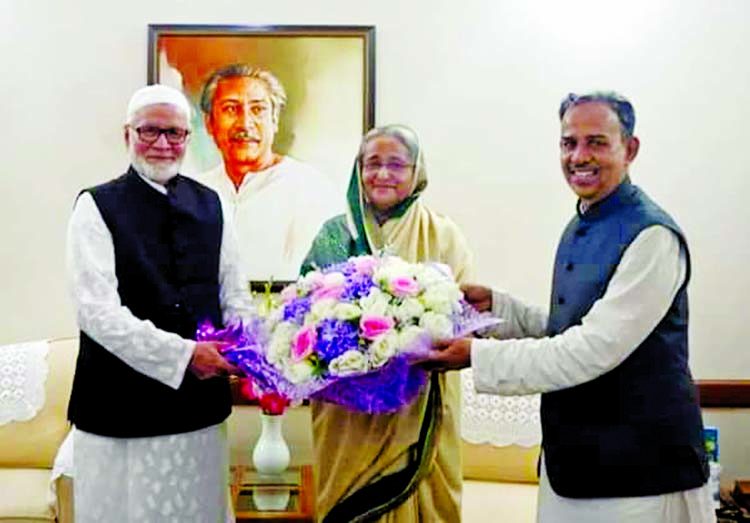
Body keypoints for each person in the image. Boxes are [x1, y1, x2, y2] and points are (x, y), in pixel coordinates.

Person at [422, 92, 713, 522]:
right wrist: (499, 311)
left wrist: (478, 355)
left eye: (596, 142)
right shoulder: (582, 220)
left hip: (639, 472)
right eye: (568, 143)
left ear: (629, 149)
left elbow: (594, 348)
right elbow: (570, 329)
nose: (579, 156)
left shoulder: (653, 236)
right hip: (573, 463)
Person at [66, 84, 255, 523]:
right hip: (119, 409)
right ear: (127, 134)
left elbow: (235, 292)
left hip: (197, 412)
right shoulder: (95, 205)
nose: (163, 144)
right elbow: (96, 311)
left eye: (175, 133)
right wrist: (186, 355)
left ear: (189, 138)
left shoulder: (213, 204)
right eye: (150, 131)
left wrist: (248, 348)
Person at [300, 124, 475, 522]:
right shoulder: (335, 233)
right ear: (358, 170)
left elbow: (461, 312)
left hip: (417, 402)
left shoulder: (442, 233)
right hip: (346, 412)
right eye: (372, 164)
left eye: (396, 164)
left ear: (417, 172)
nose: (382, 174)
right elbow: (307, 312)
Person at [198, 64, 339, 282]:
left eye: (257, 110)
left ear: (274, 121)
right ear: (209, 123)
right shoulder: (193, 191)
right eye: (230, 109)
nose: (245, 124)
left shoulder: (310, 188)